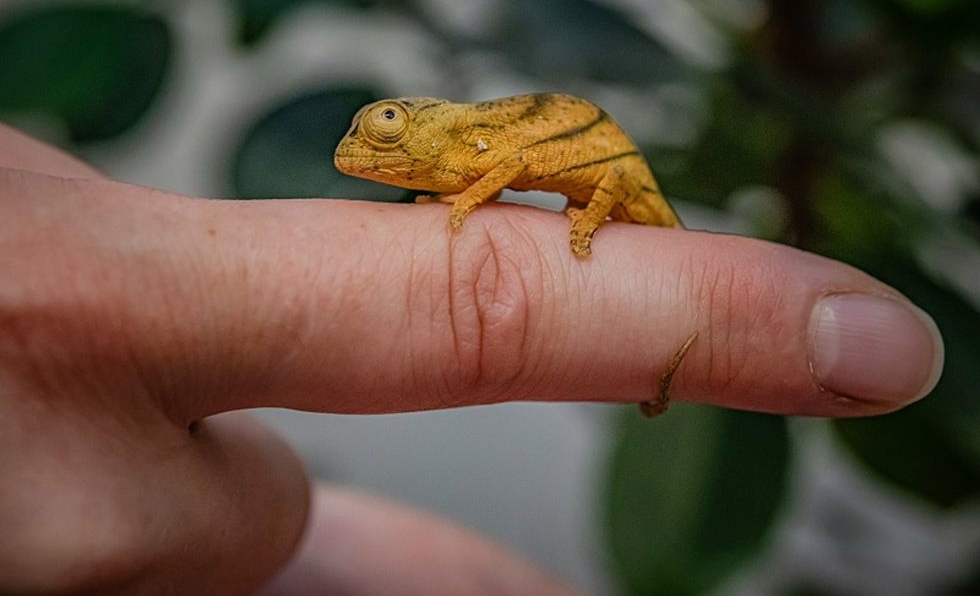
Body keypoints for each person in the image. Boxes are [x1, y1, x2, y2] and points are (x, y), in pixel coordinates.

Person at [0, 122, 943, 594]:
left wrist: (508, 218)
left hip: (602, 168)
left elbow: (512, 165)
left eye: (383, 147)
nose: (370, 161)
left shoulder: (466, 147)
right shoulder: (437, 152)